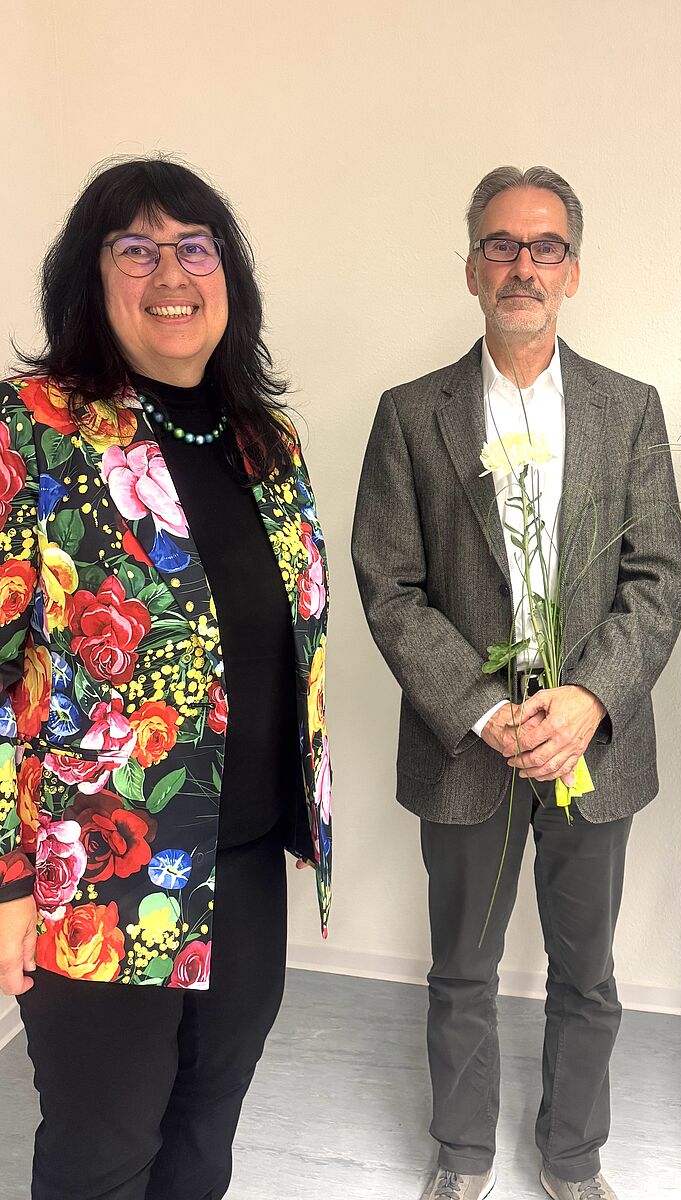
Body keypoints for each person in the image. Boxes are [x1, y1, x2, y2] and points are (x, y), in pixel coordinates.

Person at [352, 165, 681, 1200]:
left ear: (573, 272)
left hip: (593, 739)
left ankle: (574, 1156)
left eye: (545, 247)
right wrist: (485, 709)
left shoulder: (629, 410)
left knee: (588, 972)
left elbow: (659, 578)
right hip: (468, 743)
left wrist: (588, 701)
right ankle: (462, 1155)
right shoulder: (413, 414)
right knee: (461, 968)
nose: (522, 265)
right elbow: (389, 585)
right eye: (501, 244)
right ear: (471, 268)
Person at [0, 157, 332, 1200]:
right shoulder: (31, 428)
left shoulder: (267, 441)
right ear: (89, 278)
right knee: (104, 1150)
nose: (171, 274)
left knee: (206, 1126)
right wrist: (5, 881)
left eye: (195, 247)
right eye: (135, 250)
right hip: (97, 875)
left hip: (246, 860)